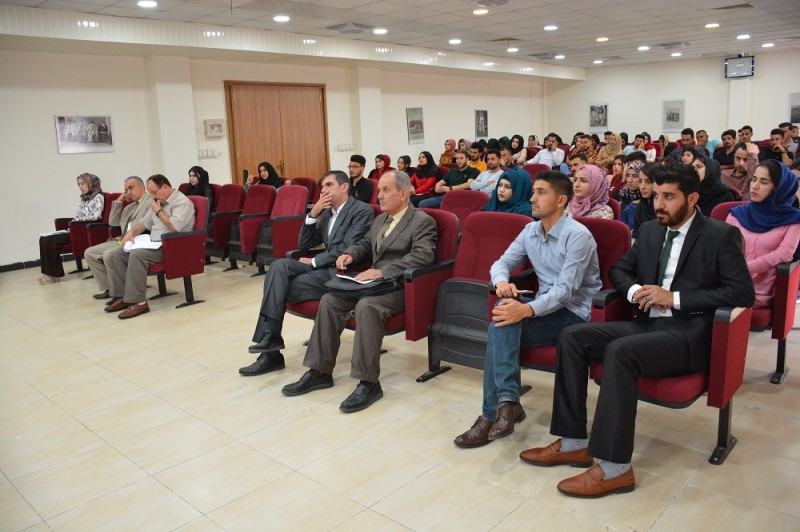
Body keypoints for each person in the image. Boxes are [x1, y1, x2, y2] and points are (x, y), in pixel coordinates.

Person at [520, 163, 755, 498]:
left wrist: (674, 298)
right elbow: (619, 270)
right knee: (573, 336)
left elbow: (742, 293)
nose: (659, 204)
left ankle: (615, 468)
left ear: (692, 199)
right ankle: (573, 442)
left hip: (689, 334)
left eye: (669, 197)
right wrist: (635, 292)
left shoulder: (720, 235)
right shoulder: (651, 231)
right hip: (647, 323)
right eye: (656, 195)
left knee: (621, 351)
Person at [454, 171, 601, 448]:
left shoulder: (578, 236)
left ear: (561, 200)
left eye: (541, 193)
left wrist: (526, 310)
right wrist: (502, 282)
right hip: (545, 306)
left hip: (574, 314)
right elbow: (500, 263)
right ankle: (507, 403)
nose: (532, 198)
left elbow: (565, 292)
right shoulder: (530, 230)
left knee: (498, 327)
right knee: (503, 312)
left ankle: (492, 413)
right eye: (533, 191)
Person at [281, 171, 437, 413]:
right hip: (373, 283)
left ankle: (369, 383)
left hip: (399, 286)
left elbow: (423, 256)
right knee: (330, 300)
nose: (379, 195)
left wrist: (383, 272)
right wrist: (349, 254)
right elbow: (364, 243)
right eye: (379, 190)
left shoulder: (422, 221)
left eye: (386, 190)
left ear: (404, 193)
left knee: (367, 306)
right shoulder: (380, 219)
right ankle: (319, 372)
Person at [241, 170, 375, 376]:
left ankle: (271, 355)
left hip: (341, 270)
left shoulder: (361, 210)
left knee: (279, 287)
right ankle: (271, 340)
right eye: (322, 187)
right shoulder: (327, 213)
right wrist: (313, 215)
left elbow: (348, 248)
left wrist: (314, 261)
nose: (323, 190)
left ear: (344, 187)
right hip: (322, 266)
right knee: (278, 266)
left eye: (329, 185)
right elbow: (304, 244)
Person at [104, 175, 195, 319]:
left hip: (173, 245)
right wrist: (131, 233)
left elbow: (175, 227)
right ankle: (123, 297)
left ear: (165, 187)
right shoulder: (158, 201)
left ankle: (139, 302)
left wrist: (158, 211)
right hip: (155, 243)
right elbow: (144, 223)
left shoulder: (182, 202)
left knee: (137, 255)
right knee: (118, 254)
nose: (152, 196)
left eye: (154, 192)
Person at [726, 161, 800, 308]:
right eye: (754, 179)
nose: (755, 186)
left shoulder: (794, 219)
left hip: (759, 291)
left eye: (764, 182)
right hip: (728, 281)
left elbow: (785, 254)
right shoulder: (737, 214)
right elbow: (724, 250)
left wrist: (743, 268)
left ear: (780, 188)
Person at [85, 176, 153, 299]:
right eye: (126, 190)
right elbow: (113, 222)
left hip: (137, 240)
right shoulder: (129, 207)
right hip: (121, 239)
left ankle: (119, 291)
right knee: (90, 253)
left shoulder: (150, 201)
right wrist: (119, 201)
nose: (128, 192)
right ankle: (109, 288)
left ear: (141, 186)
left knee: (109, 254)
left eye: (131, 188)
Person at [39, 173, 104, 285]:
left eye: (83, 184)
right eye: (79, 184)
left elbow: (96, 217)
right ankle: (48, 273)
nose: (80, 187)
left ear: (91, 183)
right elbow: (78, 216)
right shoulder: (84, 199)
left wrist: (76, 222)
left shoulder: (98, 197)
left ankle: (54, 275)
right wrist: (73, 222)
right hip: (76, 229)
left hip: (84, 231)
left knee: (51, 240)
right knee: (44, 238)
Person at [624, 162, 658, 239]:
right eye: (640, 181)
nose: (642, 187)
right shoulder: (635, 208)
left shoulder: (664, 212)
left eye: (648, 182)